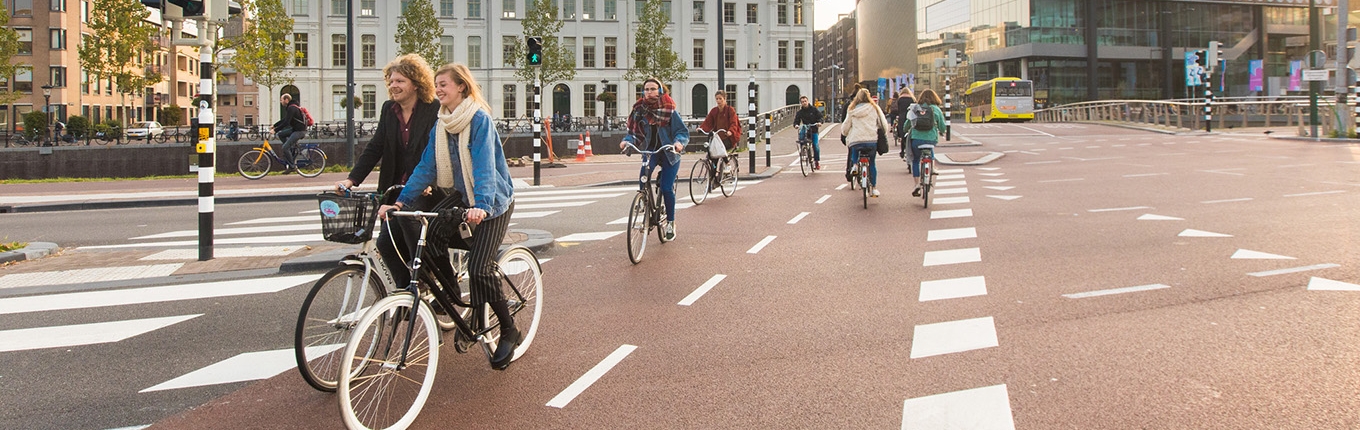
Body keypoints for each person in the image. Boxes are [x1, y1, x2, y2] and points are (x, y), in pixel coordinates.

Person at [376, 63, 519, 370]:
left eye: (444, 85)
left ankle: (509, 329)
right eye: (437, 85)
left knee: (480, 269)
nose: (438, 89)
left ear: (461, 88)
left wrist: (481, 205)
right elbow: (426, 168)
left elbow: (484, 167)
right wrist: (400, 204)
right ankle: (452, 294)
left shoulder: (478, 119)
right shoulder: (442, 124)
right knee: (426, 233)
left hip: (491, 200)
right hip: (463, 196)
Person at [335, 53, 444, 291]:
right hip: (394, 188)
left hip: (424, 188)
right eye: (391, 81)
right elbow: (376, 146)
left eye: (400, 81)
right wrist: (352, 179)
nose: (394, 86)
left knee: (413, 234)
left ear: (416, 83)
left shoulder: (432, 108)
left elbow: (439, 150)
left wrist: (430, 181)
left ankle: (438, 282)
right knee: (386, 245)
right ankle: (408, 292)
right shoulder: (389, 110)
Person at [619, 77, 689, 241]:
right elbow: (634, 133)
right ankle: (644, 201)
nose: (649, 92)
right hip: (651, 151)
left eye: (653, 89)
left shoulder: (669, 110)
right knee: (643, 176)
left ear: (660, 91)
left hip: (669, 152)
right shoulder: (639, 110)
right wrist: (627, 141)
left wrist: (678, 143)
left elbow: (682, 131)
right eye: (646, 89)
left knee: (666, 188)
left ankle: (671, 222)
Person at [839, 88, 890, 197]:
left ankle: (855, 165)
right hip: (871, 140)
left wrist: (844, 133)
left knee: (854, 146)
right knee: (872, 163)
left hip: (856, 141)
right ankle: (874, 188)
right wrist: (883, 132)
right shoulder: (875, 108)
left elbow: (845, 127)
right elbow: (883, 124)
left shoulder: (852, 109)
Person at [907, 89, 948, 197]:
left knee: (916, 160)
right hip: (931, 139)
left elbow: (907, 123)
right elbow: (942, 126)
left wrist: (905, 130)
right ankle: (932, 167)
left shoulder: (915, 108)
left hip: (916, 139)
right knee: (929, 149)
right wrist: (943, 131)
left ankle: (916, 185)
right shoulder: (936, 109)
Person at [697, 90, 741, 158]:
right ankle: (713, 168)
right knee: (711, 154)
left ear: (725, 99)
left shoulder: (730, 110)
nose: (718, 101)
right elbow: (708, 121)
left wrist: (730, 131)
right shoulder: (714, 111)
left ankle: (727, 164)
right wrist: (701, 128)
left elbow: (734, 123)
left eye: (720, 99)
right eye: (717, 99)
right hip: (717, 137)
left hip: (728, 137)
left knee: (720, 151)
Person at [271, 93, 307, 171]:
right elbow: (285, 119)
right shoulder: (291, 107)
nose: (281, 102)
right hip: (295, 129)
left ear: (286, 100)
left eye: (281, 100)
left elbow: (286, 122)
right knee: (281, 134)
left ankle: (292, 166)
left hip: (299, 131)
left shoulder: (292, 108)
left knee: (284, 147)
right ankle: (289, 151)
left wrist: (275, 130)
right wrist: (275, 125)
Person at [792, 95, 823, 170]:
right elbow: (796, 120)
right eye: (802, 102)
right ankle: (803, 150)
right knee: (801, 139)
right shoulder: (800, 112)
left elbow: (820, 117)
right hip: (805, 129)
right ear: (801, 103)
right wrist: (796, 125)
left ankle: (816, 161)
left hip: (813, 130)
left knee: (815, 145)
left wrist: (819, 122)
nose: (804, 103)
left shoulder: (814, 110)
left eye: (805, 101)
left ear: (808, 101)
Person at [891, 88, 917, 156]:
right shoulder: (912, 99)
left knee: (903, 135)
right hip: (910, 117)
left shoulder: (900, 99)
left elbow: (898, 109)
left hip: (902, 117)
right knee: (910, 134)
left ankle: (902, 151)